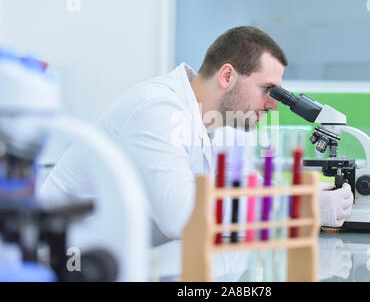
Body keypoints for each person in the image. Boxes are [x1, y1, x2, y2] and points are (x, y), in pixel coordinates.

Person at [39, 26, 353, 245]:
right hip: (63, 263)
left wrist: (306, 193)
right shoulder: (159, 109)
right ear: (228, 75)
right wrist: (300, 208)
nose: (273, 104)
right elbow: (182, 219)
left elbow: (245, 189)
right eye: (268, 89)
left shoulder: (220, 125)